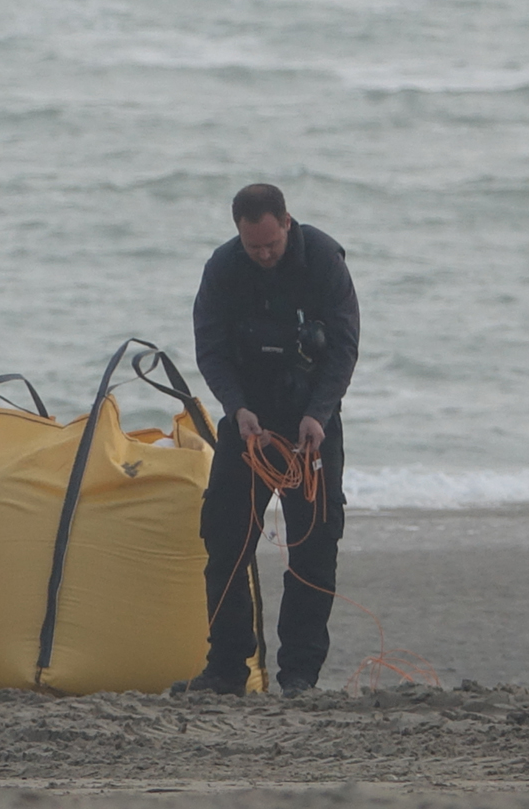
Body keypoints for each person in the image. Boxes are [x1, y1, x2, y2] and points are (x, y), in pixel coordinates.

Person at [174, 183, 361, 698]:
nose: (262, 255)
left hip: (311, 426)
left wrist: (319, 415)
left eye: (271, 245)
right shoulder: (223, 268)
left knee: (314, 547)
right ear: (239, 232)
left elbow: (344, 349)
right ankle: (227, 669)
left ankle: (299, 675)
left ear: (287, 223)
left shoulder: (324, 260)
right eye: (252, 246)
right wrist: (236, 408)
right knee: (225, 541)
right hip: (249, 424)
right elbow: (209, 349)